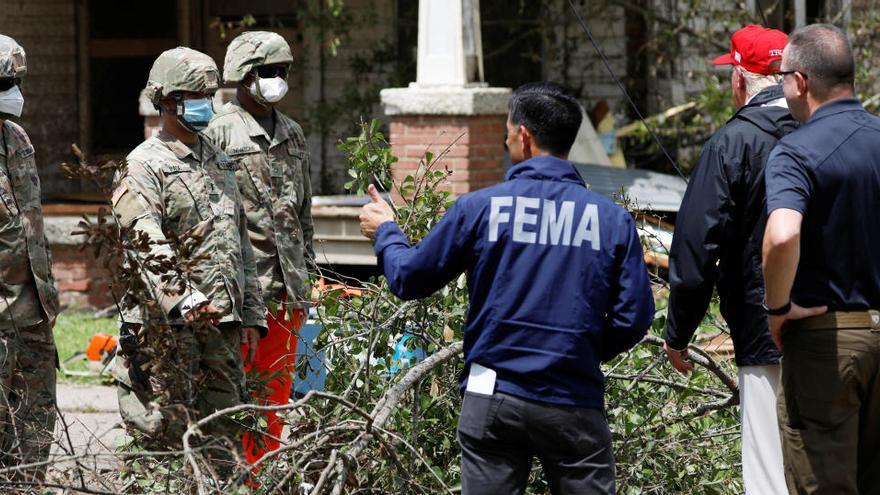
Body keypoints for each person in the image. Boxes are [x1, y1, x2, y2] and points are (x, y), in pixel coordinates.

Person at [359, 82, 654, 494]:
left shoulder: (477, 208)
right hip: (572, 398)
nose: (505, 137)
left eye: (507, 129)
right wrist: (576, 350)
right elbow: (634, 318)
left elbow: (408, 277)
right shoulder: (611, 220)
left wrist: (386, 231)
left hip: (492, 396)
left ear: (524, 136)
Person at [110, 47, 266, 461]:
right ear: (164, 101)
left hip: (221, 328)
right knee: (166, 443)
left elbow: (239, 241)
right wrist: (183, 295)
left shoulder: (218, 158)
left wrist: (250, 314)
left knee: (223, 442)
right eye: (191, 97)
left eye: (208, 96)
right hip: (166, 331)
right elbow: (143, 240)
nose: (204, 105)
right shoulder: (143, 165)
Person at [662, 25, 795, 494]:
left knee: (768, 474)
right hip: (847, 329)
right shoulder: (836, 134)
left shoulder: (731, 144)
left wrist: (678, 332)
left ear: (740, 78)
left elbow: (697, 251)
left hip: (765, 334)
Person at [763, 23, 880, 494]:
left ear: (800, 81)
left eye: (781, 78)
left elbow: (783, 235)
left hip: (828, 343)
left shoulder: (795, 150)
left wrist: (776, 308)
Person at [203, 31, 314, 466]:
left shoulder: (293, 133)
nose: (278, 80)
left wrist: (307, 279)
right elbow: (215, 223)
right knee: (239, 401)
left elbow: (303, 213)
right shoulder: (217, 133)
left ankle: (261, 478)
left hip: (286, 293)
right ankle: (235, 480)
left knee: (274, 401)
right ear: (245, 76)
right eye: (269, 72)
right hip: (244, 295)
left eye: (283, 72)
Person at [0, 33, 60, 482]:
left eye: (17, 81)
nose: (14, 93)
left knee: (35, 444)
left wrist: (48, 296)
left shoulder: (16, 137)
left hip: (32, 319)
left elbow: (31, 225)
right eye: (4, 82)